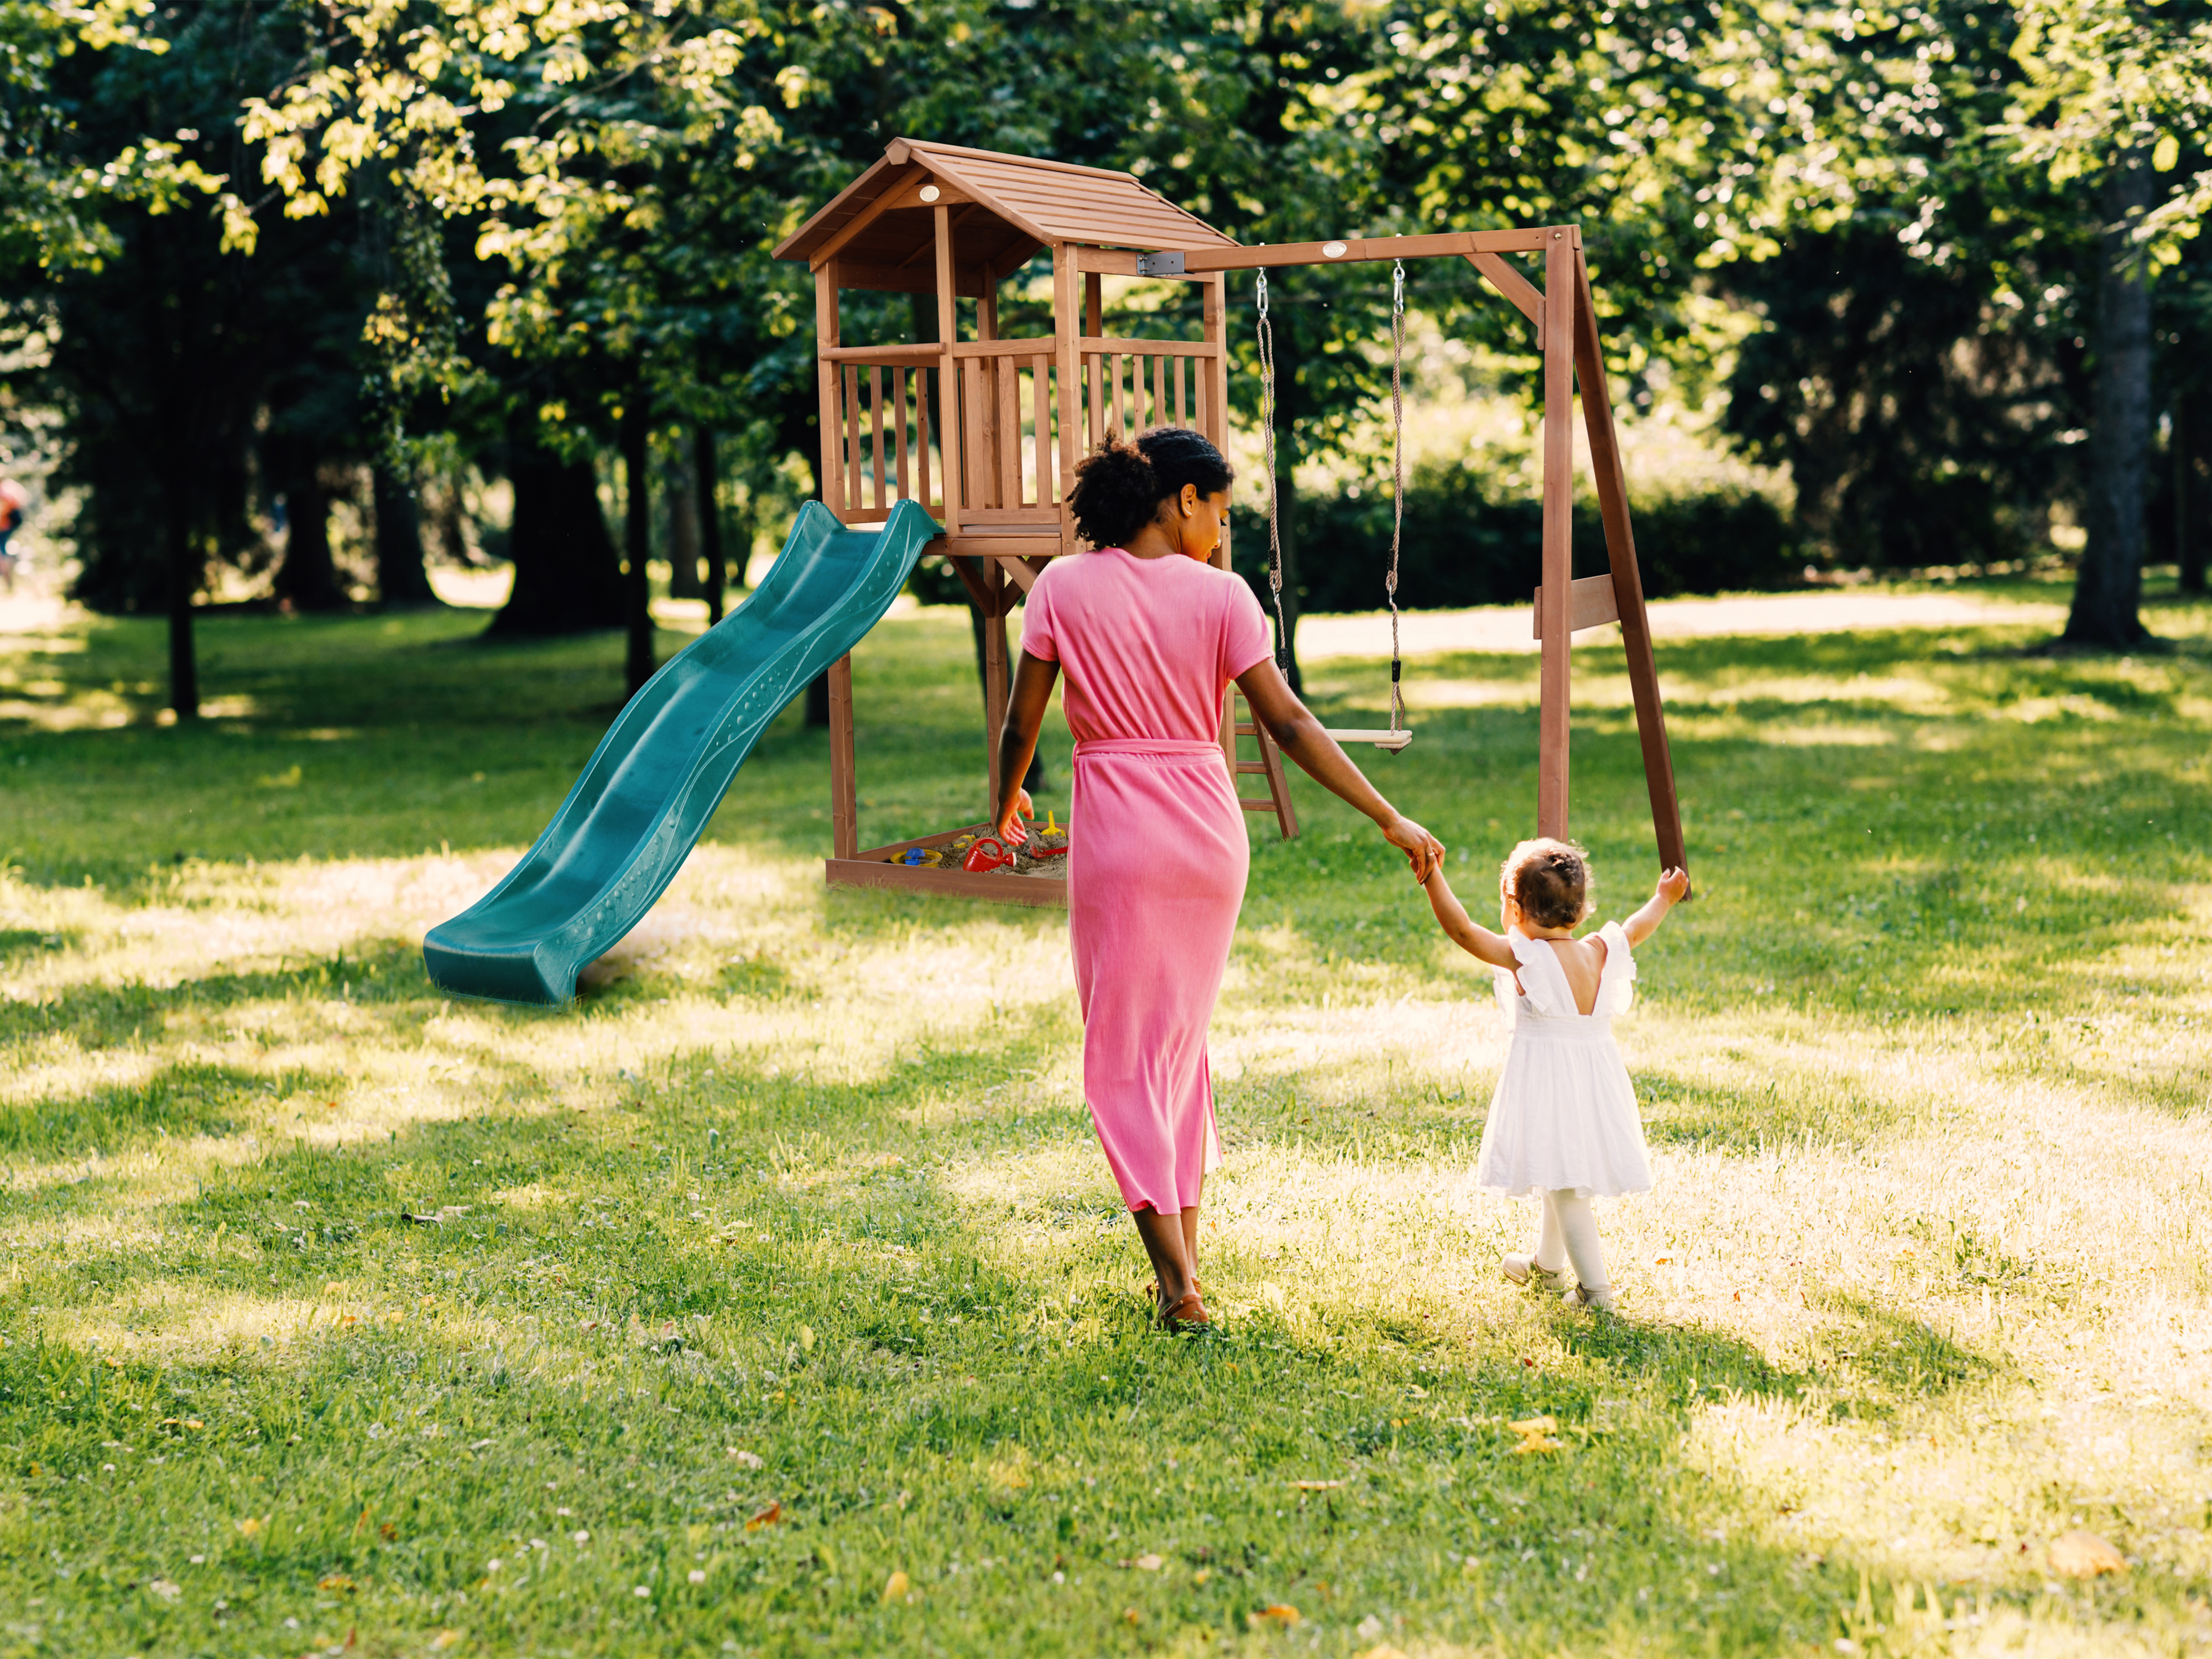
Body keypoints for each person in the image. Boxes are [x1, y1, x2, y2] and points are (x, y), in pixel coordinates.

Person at [993, 427, 1444, 1332]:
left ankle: (1176, 1285)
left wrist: (1002, 806)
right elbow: (1289, 724)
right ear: (1183, 499)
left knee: (1123, 1059)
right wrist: (1386, 814)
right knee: (1175, 1051)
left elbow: (1020, 724)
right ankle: (1185, 1267)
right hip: (1207, 837)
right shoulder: (1225, 598)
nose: (1224, 534)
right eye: (1222, 512)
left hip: (1120, 836)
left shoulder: (1061, 588)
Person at [1419, 838, 1689, 1311]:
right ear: (1581, 911)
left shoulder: (1527, 958)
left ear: (1515, 908)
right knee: (1556, 1169)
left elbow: (1462, 931)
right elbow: (1636, 927)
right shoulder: (1599, 950)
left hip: (1551, 1084)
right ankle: (1547, 1267)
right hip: (1594, 1081)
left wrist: (1431, 875)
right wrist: (1663, 899)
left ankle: (1595, 1292)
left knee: (1565, 1188)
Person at [0, 478, 27, 594]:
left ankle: (6, 573)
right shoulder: (8, 486)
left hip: (7, 524)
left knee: (2, 550)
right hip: (10, 523)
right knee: (3, 549)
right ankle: (7, 575)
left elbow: (5, 509)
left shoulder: (4, 491)